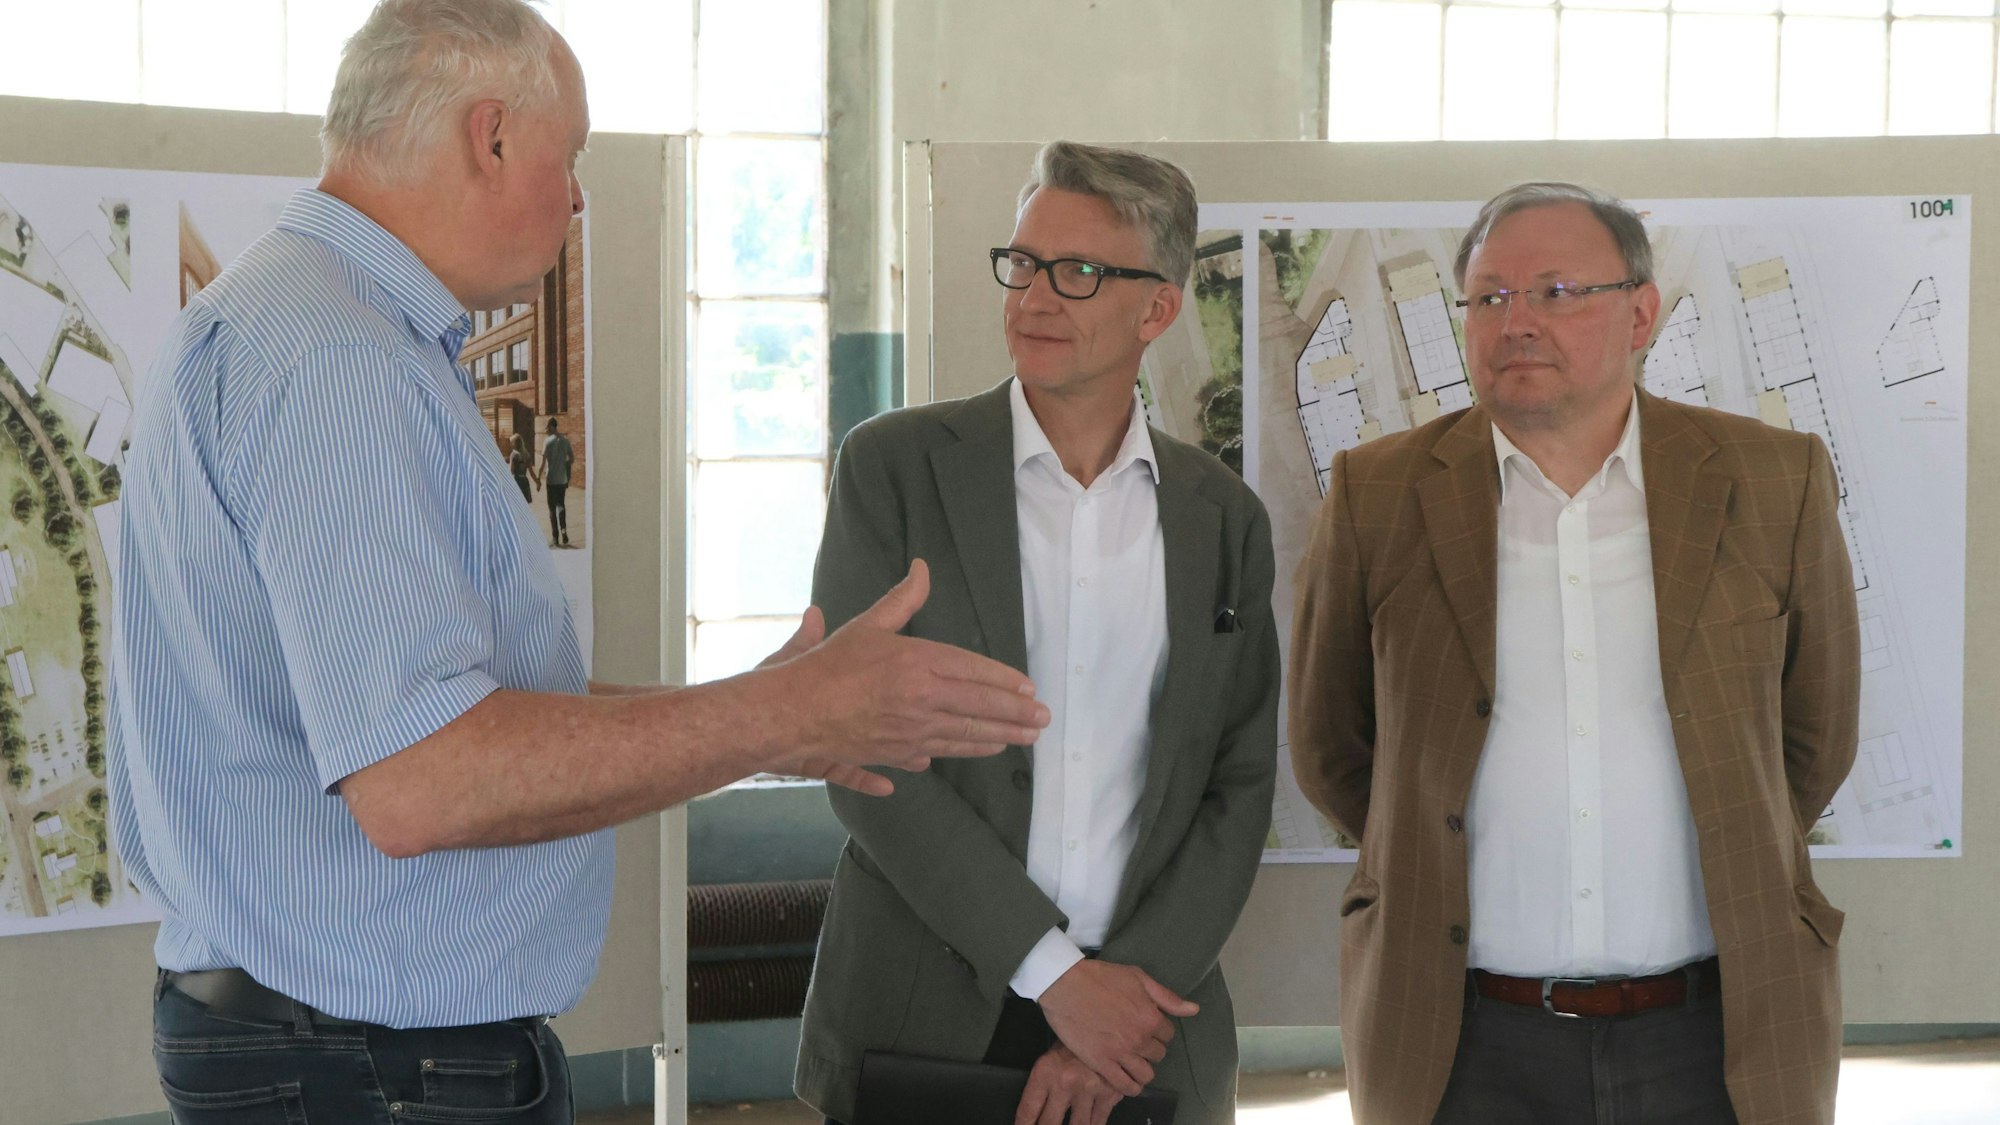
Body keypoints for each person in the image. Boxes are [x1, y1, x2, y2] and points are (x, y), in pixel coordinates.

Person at [106, 3, 1047, 1122]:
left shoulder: (300, 322)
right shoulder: (337, 362)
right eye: (574, 155)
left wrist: (771, 706)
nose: (581, 196)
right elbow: (425, 780)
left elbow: (463, 713)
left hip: (343, 1048)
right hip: (374, 1068)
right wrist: (785, 718)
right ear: (490, 136)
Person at [1287, 181, 1860, 1125]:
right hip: (1462, 1039)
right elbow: (1332, 749)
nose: (1518, 321)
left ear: (1640, 312)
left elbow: (1814, 740)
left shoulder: (1771, 478)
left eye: (1556, 292)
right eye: (1490, 297)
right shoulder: (1379, 494)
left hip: (1718, 1033)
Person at [795, 141, 1280, 1125]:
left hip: (1146, 1033)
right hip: (921, 1021)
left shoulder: (1221, 518)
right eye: (1021, 264)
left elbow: (1236, 785)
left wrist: (1115, 1010)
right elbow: (862, 760)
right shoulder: (892, 469)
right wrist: (1057, 978)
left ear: (1157, 308)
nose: (1034, 297)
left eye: (1079, 272)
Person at [540, 415, 574, 546]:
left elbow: (543, 463)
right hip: (562, 479)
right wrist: (564, 465)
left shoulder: (547, 441)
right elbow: (571, 459)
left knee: (552, 509)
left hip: (551, 479)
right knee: (561, 505)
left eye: (548, 427)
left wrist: (538, 478)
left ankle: (555, 537)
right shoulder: (565, 441)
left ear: (553, 426)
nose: (547, 429)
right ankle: (564, 531)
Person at [509, 428, 536, 503]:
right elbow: (531, 472)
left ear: (515, 443)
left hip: (516, 481)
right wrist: (537, 482)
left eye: (511, 442)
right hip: (524, 481)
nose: (510, 444)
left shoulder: (513, 455)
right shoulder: (527, 455)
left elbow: (511, 471)